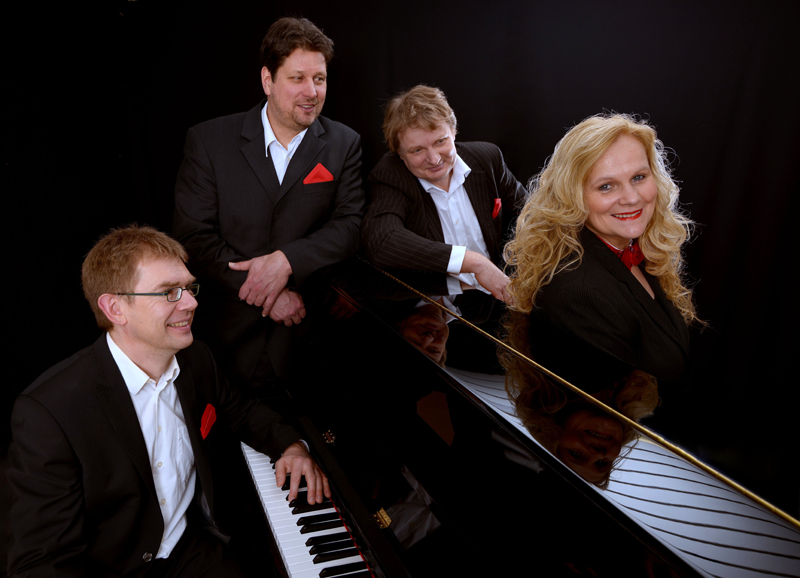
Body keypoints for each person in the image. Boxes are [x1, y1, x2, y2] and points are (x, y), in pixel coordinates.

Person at [7, 225, 330, 577]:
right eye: (169, 292)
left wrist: (291, 446)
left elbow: (244, 411)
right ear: (115, 308)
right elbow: (41, 563)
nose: (191, 303)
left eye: (189, 288)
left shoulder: (197, 360)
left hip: (190, 551)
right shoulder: (49, 412)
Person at [172, 17, 364, 389]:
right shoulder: (209, 142)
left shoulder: (345, 143)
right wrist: (267, 292)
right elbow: (193, 238)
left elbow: (350, 226)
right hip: (227, 342)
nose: (312, 91)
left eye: (319, 79)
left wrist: (286, 261)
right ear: (267, 80)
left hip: (311, 343)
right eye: (297, 78)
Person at [502, 113, 698, 395]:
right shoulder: (579, 294)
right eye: (606, 186)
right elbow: (627, 406)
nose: (632, 198)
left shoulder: (634, 248)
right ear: (573, 196)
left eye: (639, 177)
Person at [361, 85, 525, 304]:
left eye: (441, 141)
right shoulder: (390, 175)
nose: (434, 159)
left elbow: (531, 216)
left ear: (453, 131)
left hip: (497, 299)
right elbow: (381, 241)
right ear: (399, 153)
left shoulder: (487, 158)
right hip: (438, 305)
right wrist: (474, 262)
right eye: (417, 150)